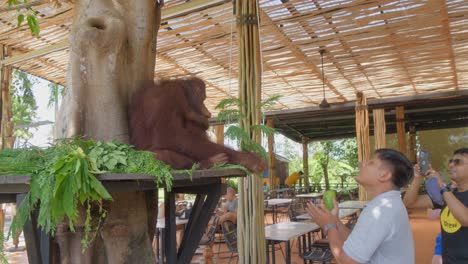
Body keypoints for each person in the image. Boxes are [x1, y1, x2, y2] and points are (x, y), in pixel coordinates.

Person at [306, 148, 415, 264]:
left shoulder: (380, 211)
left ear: (384, 175)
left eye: (371, 162)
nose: (361, 164)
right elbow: (356, 242)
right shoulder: (389, 204)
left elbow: (347, 261)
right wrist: (335, 220)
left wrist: (329, 226)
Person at [404, 148, 468, 263]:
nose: (452, 165)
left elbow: (465, 219)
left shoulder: (446, 192)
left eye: (458, 162)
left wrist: (442, 186)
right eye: (451, 161)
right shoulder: (449, 192)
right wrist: (417, 179)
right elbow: (409, 203)